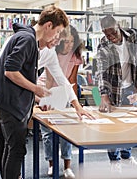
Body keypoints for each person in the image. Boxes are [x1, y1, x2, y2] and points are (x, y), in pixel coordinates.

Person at [0, 6, 69, 179]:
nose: (56, 37)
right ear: (48, 26)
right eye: (57, 32)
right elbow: (10, 71)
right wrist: (36, 89)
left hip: (3, 99)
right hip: (9, 103)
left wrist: (36, 96)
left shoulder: (27, 38)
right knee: (17, 150)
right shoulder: (27, 39)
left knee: (8, 146)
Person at [96, 15, 137, 172]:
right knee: (113, 128)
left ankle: (127, 157)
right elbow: (101, 70)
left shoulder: (132, 36)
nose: (111, 37)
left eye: (113, 33)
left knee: (129, 125)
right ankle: (114, 161)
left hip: (130, 87)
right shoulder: (103, 44)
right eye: (107, 34)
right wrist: (103, 95)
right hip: (113, 89)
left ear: (118, 26)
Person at [37, 25, 85, 178]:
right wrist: (49, 102)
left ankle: (67, 167)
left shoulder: (76, 55)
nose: (69, 45)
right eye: (65, 41)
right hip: (46, 89)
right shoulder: (52, 52)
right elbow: (50, 79)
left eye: (72, 42)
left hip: (65, 91)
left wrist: (75, 102)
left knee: (66, 132)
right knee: (48, 133)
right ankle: (51, 164)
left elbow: (72, 80)